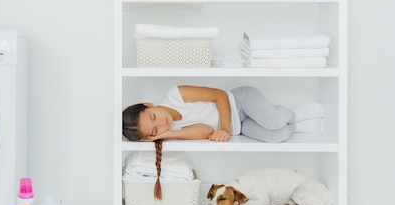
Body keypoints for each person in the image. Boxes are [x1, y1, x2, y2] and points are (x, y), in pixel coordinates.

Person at [122, 85, 323, 144]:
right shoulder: (172, 129)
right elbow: (206, 129)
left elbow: (219, 95)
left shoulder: (176, 95)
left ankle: (296, 114)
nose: (162, 123)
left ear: (148, 104)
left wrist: (225, 129)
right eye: (156, 130)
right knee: (274, 136)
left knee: (273, 121)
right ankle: (300, 126)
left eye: (153, 117)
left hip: (238, 101)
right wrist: (168, 134)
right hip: (240, 128)